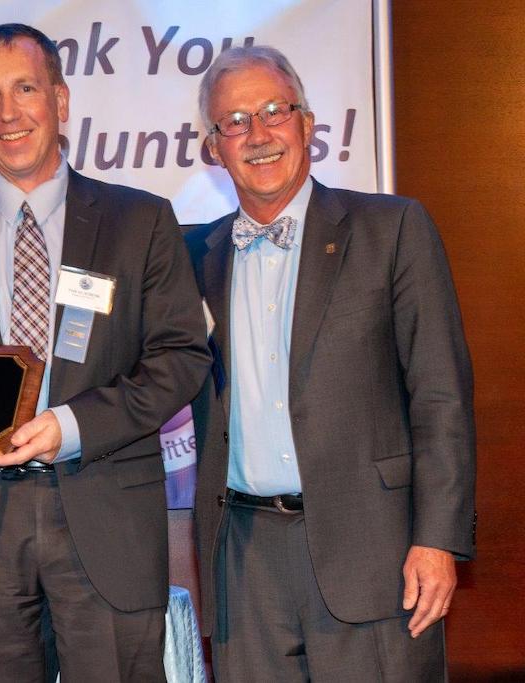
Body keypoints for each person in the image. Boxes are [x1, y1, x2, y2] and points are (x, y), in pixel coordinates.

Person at [0, 23, 210, 683]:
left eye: (25, 89)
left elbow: (180, 356)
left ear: (62, 99)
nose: (8, 113)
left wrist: (71, 426)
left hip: (103, 516)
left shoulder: (140, 222)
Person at [185, 45, 476, 681]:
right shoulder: (190, 257)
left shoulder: (391, 228)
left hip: (377, 552)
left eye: (273, 112)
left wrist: (439, 539)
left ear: (308, 123)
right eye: (233, 122)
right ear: (212, 147)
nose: (257, 135)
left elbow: (441, 397)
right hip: (243, 561)